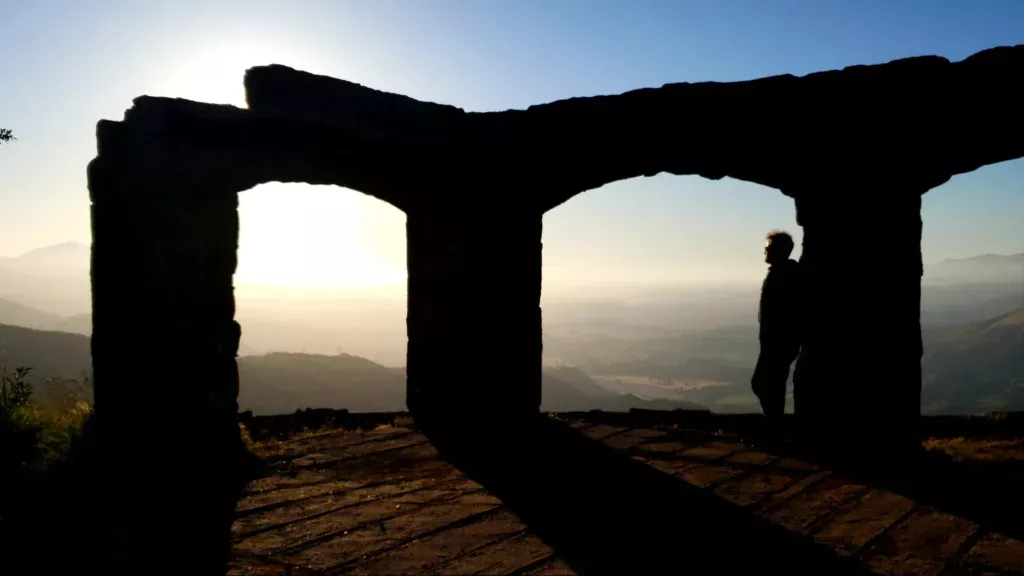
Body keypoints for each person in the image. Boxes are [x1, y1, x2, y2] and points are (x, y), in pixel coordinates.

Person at [751, 230, 802, 424]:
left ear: (780, 250)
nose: (765, 251)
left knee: (764, 383)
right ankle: (774, 423)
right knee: (770, 383)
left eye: (769, 247)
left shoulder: (786, 274)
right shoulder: (784, 272)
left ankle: (775, 424)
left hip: (779, 342)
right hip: (776, 342)